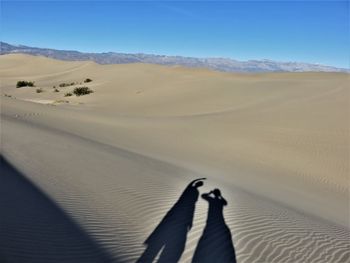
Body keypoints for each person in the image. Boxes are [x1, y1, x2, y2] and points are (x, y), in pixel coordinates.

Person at [137, 178, 206, 263]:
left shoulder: (194, 192)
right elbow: (190, 184)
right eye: (199, 183)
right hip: (178, 213)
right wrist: (198, 179)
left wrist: (190, 221)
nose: (199, 185)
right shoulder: (190, 189)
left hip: (183, 213)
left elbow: (193, 205)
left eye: (200, 184)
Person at [192, 189, 236, 263]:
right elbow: (226, 203)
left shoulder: (211, 199)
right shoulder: (220, 202)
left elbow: (203, 195)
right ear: (218, 194)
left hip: (211, 221)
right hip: (219, 221)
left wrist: (210, 193)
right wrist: (220, 196)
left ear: (214, 194)